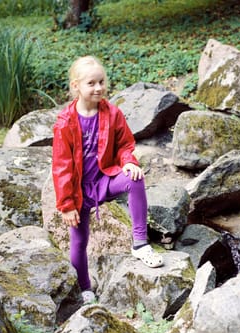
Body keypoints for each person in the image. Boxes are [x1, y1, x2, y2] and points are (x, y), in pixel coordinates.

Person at [52, 55, 163, 304]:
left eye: (101, 81)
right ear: (76, 86)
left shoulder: (112, 113)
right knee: (78, 242)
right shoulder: (65, 123)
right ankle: (84, 288)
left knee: (135, 179)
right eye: (91, 83)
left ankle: (140, 243)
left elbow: (125, 145)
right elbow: (61, 167)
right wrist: (67, 205)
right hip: (79, 190)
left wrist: (129, 162)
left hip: (105, 180)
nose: (99, 88)